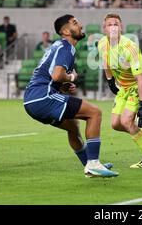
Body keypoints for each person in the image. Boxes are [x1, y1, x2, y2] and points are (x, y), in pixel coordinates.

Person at [24, 14, 118, 178]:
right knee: (94, 113)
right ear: (66, 31)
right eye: (75, 23)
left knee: (73, 127)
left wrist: (63, 85)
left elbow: (48, 75)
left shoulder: (58, 46)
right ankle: (94, 163)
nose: (80, 25)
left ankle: (88, 165)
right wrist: (71, 77)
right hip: (43, 97)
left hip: (32, 100)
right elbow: (56, 75)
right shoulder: (66, 47)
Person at [98, 13, 142, 168]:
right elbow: (106, 62)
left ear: (121, 27)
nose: (113, 27)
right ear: (104, 29)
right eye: (110, 24)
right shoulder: (101, 43)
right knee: (116, 124)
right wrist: (110, 81)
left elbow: (141, 79)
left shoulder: (129, 47)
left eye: (116, 24)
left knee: (127, 121)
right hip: (125, 85)